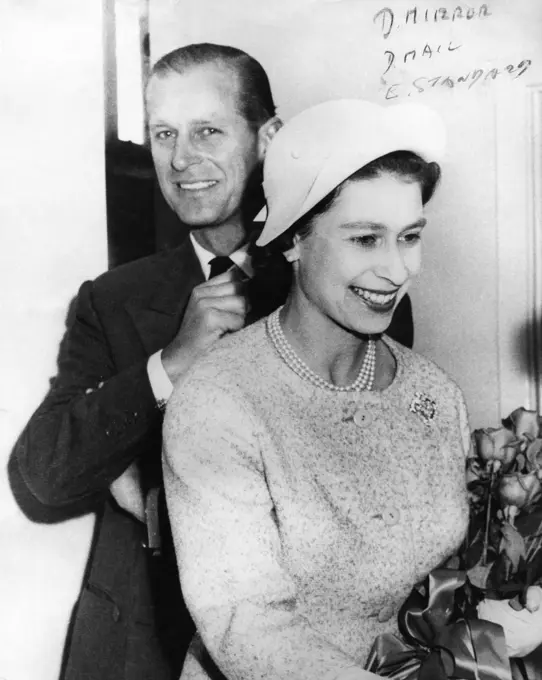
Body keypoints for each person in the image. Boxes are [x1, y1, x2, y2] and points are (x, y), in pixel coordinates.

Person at [9, 47, 414, 679]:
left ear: (268, 137)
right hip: (143, 651)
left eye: (208, 130)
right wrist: (170, 364)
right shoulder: (112, 299)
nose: (179, 159)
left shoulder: (355, 287)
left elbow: (374, 502)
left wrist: (155, 496)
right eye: (164, 133)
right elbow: (43, 475)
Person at [162, 99, 472, 680]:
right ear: (294, 240)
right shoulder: (219, 402)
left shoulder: (434, 396)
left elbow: (442, 578)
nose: (398, 269)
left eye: (409, 236)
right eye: (365, 239)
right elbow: (245, 624)